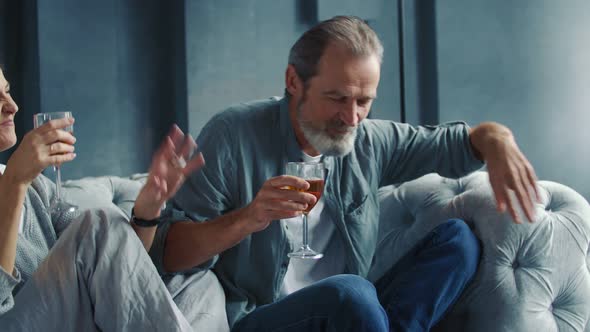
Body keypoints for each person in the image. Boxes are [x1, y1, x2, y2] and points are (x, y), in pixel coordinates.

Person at [152, 16, 539, 331]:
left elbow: (457, 144)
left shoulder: (369, 139)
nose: (351, 117)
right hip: (265, 318)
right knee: (350, 294)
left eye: (364, 101)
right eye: (337, 98)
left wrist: (497, 139)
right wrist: (249, 218)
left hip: (355, 315)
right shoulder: (232, 134)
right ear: (293, 82)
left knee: (458, 241)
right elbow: (171, 254)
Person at [0, 67, 229, 331]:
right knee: (98, 222)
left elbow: (111, 267)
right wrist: (14, 183)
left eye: (7, 92)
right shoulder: (20, 180)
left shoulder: (36, 186)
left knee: (197, 285)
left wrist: (147, 212)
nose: (13, 107)